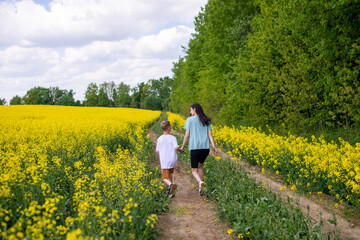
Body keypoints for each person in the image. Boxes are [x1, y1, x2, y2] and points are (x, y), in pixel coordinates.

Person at [180, 103, 217, 195]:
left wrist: (182, 147)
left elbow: (187, 135)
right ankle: (202, 188)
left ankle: (200, 183)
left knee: (194, 170)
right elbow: (210, 135)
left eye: (191, 110)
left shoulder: (190, 120)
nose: (190, 112)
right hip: (205, 149)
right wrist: (214, 147)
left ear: (195, 109)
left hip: (195, 148)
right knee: (200, 166)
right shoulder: (206, 120)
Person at [156, 120, 184, 196]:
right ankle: (172, 192)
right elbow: (176, 147)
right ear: (169, 128)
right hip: (172, 160)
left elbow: (157, 151)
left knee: (164, 178)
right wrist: (181, 150)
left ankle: (171, 185)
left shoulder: (160, 138)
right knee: (170, 175)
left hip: (165, 160)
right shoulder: (173, 137)